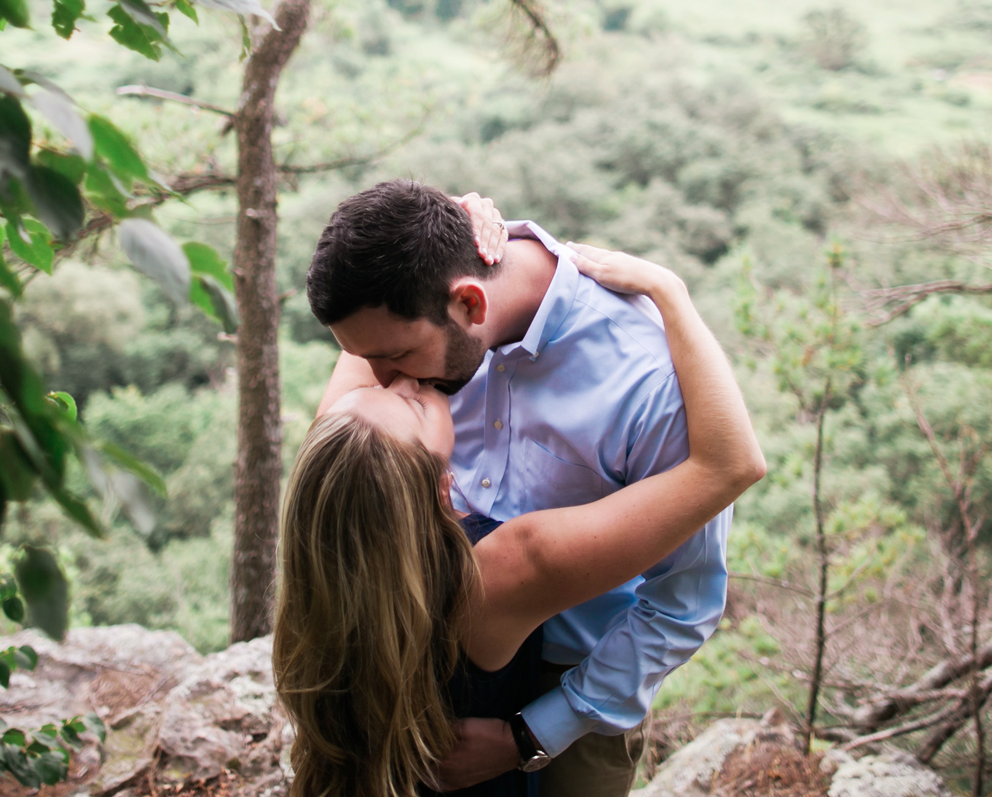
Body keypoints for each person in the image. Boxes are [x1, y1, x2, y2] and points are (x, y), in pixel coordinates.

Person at [276, 238, 764, 797]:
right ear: (441, 486)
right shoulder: (505, 571)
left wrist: (429, 239)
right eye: (409, 402)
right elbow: (730, 464)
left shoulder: (323, 574)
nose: (396, 379)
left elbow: (367, 333)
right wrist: (670, 292)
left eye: (394, 367)